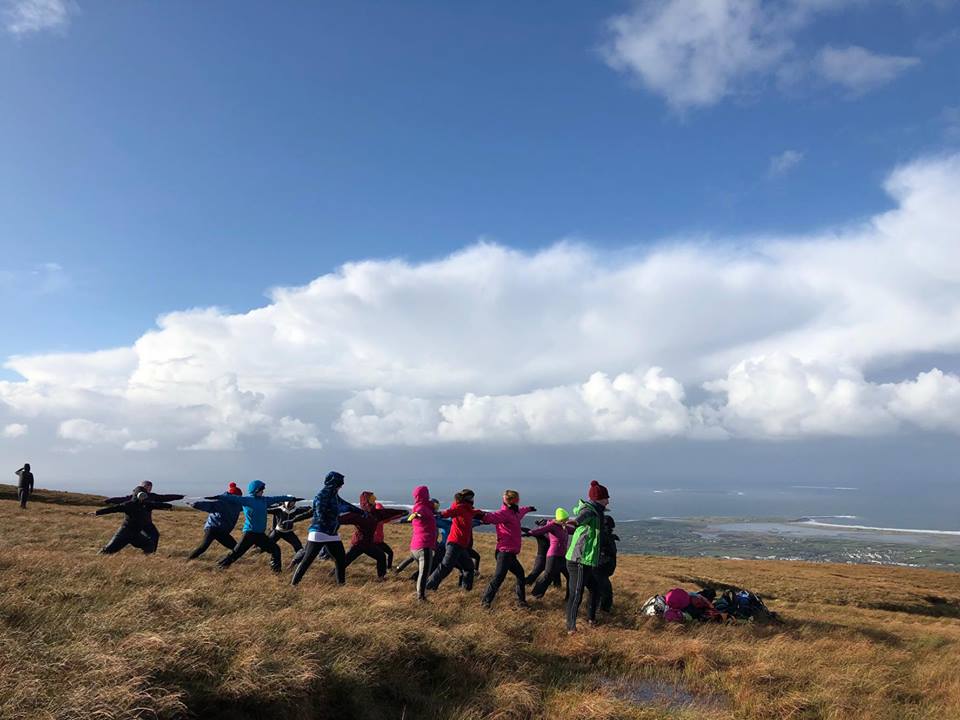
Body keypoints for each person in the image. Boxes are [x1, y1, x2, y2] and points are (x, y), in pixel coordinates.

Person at [291, 471, 365, 586]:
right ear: (334, 483)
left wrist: (360, 512)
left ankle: (341, 585)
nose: (342, 485)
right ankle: (294, 584)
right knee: (307, 560)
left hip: (332, 534)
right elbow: (319, 512)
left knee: (340, 559)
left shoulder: (334, 495)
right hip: (319, 533)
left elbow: (345, 505)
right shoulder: (322, 495)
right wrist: (326, 521)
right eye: (340, 483)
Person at [214, 480, 300, 573]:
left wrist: (290, 498)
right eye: (261, 489)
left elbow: (277, 498)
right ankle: (220, 566)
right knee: (236, 553)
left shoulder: (264, 500)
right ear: (256, 490)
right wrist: (219, 497)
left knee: (275, 549)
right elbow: (232, 498)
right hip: (250, 534)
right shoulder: (247, 500)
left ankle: (277, 572)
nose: (263, 491)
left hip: (260, 535)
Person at [564, 480, 609, 634]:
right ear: (598, 499)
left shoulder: (597, 512)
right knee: (576, 594)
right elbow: (580, 518)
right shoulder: (590, 511)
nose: (608, 501)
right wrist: (574, 523)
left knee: (595, 590)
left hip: (586, 561)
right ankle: (571, 628)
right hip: (579, 561)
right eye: (606, 498)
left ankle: (591, 619)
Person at [478, 490, 535, 609]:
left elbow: (521, 512)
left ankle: (521, 602)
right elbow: (491, 517)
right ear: (514, 500)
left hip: (510, 553)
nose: (519, 500)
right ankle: (485, 602)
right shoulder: (505, 513)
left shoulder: (514, 512)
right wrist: (480, 515)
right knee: (498, 577)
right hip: (504, 553)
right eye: (518, 498)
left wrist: (529, 508)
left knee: (520, 574)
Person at [338, 492, 407, 579]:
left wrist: (402, 512)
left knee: (381, 557)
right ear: (366, 502)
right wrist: (328, 520)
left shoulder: (376, 514)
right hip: (358, 544)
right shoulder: (359, 515)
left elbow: (388, 512)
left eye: (374, 499)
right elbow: (341, 519)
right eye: (372, 500)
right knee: (345, 562)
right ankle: (333, 575)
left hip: (368, 544)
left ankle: (381, 578)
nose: (374, 502)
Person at [425, 489, 483, 593]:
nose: (473, 500)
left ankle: (465, 592)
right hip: (454, 543)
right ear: (466, 499)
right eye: (471, 498)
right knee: (445, 567)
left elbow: (475, 512)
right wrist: (439, 515)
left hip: (461, 546)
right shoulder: (459, 507)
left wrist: (485, 515)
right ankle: (428, 587)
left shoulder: (468, 510)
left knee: (469, 568)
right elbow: (448, 512)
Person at [103, 481, 184, 550]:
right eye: (147, 487)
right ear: (142, 487)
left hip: (147, 522)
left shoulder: (153, 496)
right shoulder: (133, 497)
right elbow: (121, 499)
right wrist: (110, 500)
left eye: (150, 487)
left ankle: (151, 553)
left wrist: (180, 497)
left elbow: (166, 497)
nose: (148, 489)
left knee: (155, 535)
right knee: (132, 537)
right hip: (135, 523)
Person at [94, 491, 174, 555]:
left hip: (136, 534)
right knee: (107, 551)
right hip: (124, 533)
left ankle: (145, 562)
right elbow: (113, 509)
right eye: (141, 495)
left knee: (149, 545)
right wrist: (97, 512)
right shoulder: (128, 505)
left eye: (144, 495)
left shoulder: (146, 505)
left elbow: (158, 505)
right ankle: (97, 559)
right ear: (137, 495)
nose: (143, 498)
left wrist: (169, 506)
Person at [186, 482, 243, 560]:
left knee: (235, 548)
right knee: (203, 547)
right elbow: (208, 505)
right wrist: (194, 504)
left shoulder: (237, 505)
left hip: (221, 531)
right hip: (213, 528)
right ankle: (187, 561)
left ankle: (224, 563)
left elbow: (247, 507)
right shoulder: (221, 502)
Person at [403, 485, 438, 601]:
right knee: (424, 574)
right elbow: (419, 513)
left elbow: (428, 510)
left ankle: (420, 595)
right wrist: (417, 515)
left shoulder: (423, 507)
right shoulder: (421, 508)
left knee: (422, 573)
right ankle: (421, 598)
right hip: (424, 546)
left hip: (416, 546)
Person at [529, 508, 572, 600]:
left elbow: (575, 530)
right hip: (553, 556)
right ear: (559, 519)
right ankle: (535, 595)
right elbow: (540, 531)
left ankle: (569, 599)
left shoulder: (564, 527)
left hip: (563, 557)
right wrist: (529, 532)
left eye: (566, 520)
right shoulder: (552, 525)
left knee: (570, 576)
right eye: (564, 520)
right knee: (547, 576)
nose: (566, 522)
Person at [597, 515, 620, 613]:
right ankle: (602, 611)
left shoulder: (607, 537)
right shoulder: (602, 537)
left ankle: (602, 610)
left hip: (603, 569)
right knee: (604, 591)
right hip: (600, 568)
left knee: (603, 591)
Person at [372, 501, 396, 569]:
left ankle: (389, 568)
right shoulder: (373, 519)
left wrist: (401, 514)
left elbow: (390, 518)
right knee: (381, 556)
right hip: (374, 542)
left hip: (380, 542)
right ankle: (382, 570)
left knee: (390, 553)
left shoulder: (382, 519)